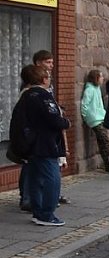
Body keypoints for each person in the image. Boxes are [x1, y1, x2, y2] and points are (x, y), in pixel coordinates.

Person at [15, 65, 70, 226]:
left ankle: (37, 211)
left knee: (35, 178)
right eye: (48, 77)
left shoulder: (25, 96)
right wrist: (66, 122)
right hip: (45, 144)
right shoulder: (42, 96)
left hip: (30, 145)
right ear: (43, 79)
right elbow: (53, 119)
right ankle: (46, 214)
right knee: (52, 179)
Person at [80, 69, 109, 173]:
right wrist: (87, 117)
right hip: (94, 119)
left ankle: (108, 165)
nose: (103, 79)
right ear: (96, 78)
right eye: (101, 77)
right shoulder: (89, 90)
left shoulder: (97, 88)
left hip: (100, 117)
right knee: (106, 142)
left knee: (102, 143)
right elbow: (84, 104)